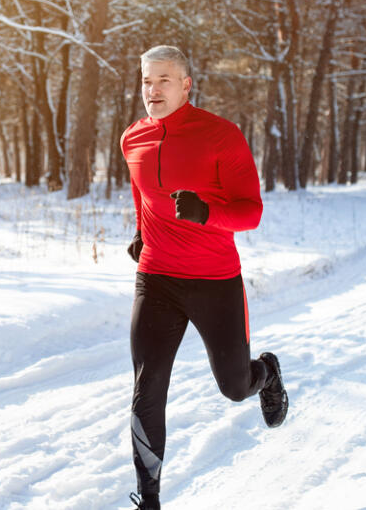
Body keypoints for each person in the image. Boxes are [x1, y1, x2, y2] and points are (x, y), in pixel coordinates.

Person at [121, 45, 289, 510]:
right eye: (146, 81)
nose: (153, 90)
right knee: (146, 391)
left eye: (164, 80)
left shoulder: (221, 135)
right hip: (155, 278)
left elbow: (252, 213)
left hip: (214, 280)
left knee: (235, 387)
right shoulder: (132, 137)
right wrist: (140, 231)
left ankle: (268, 374)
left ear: (186, 84)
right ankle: (148, 500)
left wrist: (206, 211)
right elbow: (143, 194)